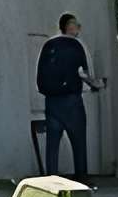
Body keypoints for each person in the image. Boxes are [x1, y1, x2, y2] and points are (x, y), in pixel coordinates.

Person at [36, 12, 102, 180]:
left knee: (52, 146)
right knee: (78, 142)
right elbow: (83, 73)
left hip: (51, 101)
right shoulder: (77, 46)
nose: (79, 28)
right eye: (76, 24)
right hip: (72, 101)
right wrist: (96, 84)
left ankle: (51, 180)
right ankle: (81, 178)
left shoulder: (48, 45)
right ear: (69, 26)